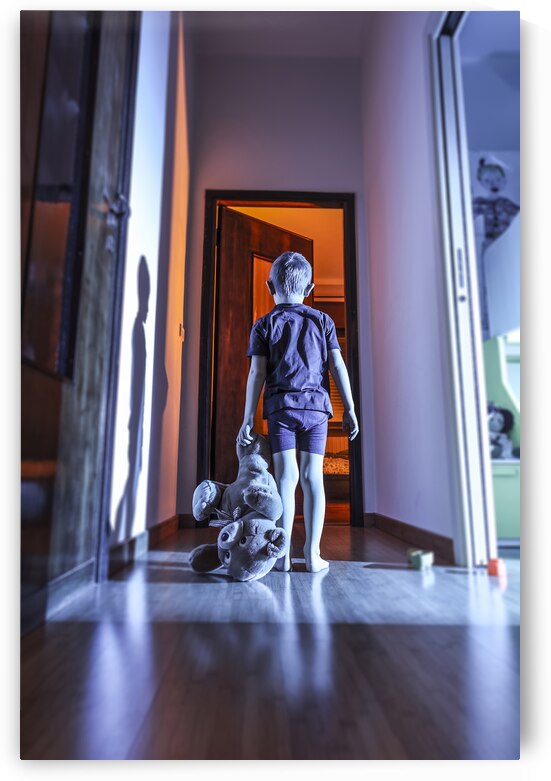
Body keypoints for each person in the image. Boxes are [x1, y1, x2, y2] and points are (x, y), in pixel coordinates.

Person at [236, 251, 359, 572]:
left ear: (269, 285)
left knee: (286, 479)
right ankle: (313, 554)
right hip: (316, 410)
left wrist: (249, 417)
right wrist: (350, 407)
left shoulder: (264, 324)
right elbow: (337, 365)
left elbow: (256, 373)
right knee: (312, 478)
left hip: (281, 410)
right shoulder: (322, 321)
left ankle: (285, 555)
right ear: (310, 287)